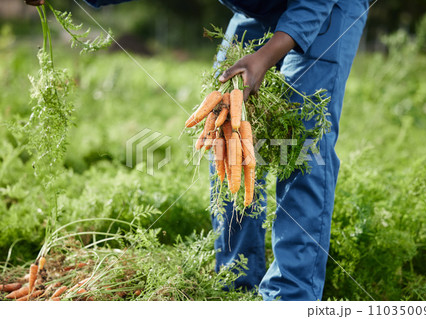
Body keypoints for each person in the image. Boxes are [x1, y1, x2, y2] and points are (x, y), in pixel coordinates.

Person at [26, 0, 369, 301]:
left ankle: (291, 296)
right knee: (223, 128)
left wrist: (264, 57)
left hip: (326, 9)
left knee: (302, 143)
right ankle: (237, 278)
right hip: (257, 11)